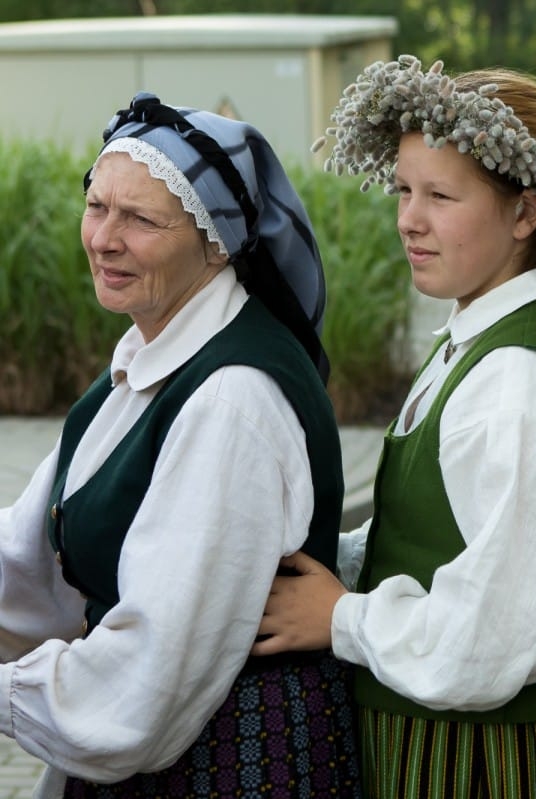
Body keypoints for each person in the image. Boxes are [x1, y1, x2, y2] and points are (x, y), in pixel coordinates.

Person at [251, 56, 536, 798]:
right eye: (402, 189)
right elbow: (436, 538)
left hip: (493, 761)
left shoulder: (524, 383)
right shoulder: (476, 337)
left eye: (441, 196)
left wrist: (344, 617)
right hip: (436, 735)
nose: (408, 220)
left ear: (527, 213)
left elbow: (502, 632)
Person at [0, 92, 360, 797]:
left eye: (139, 219)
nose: (104, 237)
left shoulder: (233, 398)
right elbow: (30, 561)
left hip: (231, 762)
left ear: (216, 239)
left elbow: (151, 670)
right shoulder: (145, 363)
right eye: (97, 205)